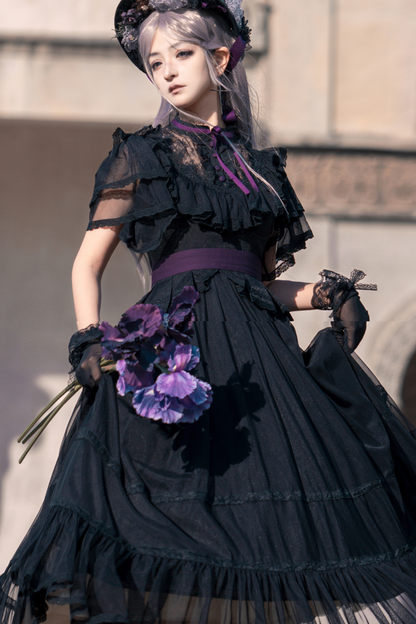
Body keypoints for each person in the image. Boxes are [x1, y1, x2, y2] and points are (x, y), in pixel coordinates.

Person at [1, 1, 416, 623]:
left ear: (220, 58)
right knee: (158, 531)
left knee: (275, 542)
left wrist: (329, 295)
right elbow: (87, 265)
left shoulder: (262, 172)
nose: (166, 71)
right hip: (173, 359)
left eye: (182, 54)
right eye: (153, 62)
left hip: (258, 373)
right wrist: (90, 340)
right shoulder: (141, 156)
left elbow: (261, 283)